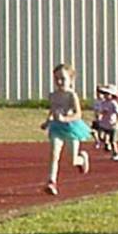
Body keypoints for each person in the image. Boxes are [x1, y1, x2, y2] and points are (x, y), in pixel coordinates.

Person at [40, 64, 91, 195]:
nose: (59, 82)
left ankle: (82, 159)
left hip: (71, 128)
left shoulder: (71, 95)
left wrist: (65, 119)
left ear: (71, 80)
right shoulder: (53, 95)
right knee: (54, 154)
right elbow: (52, 111)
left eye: (63, 78)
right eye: (56, 78)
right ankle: (51, 181)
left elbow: (78, 114)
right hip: (56, 127)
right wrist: (48, 122)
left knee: (72, 160)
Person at [93, 84, 118, 161]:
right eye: (105, 94)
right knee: (101, 136)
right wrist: (99, 116)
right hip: (104, 124)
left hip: (112, 124)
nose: (106, 95)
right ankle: (106, 144)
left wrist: (117, 121)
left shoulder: (113, 103)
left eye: (108, 94)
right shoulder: (103, 103)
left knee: (113, 141)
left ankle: (116, 153)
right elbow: (101, 111)